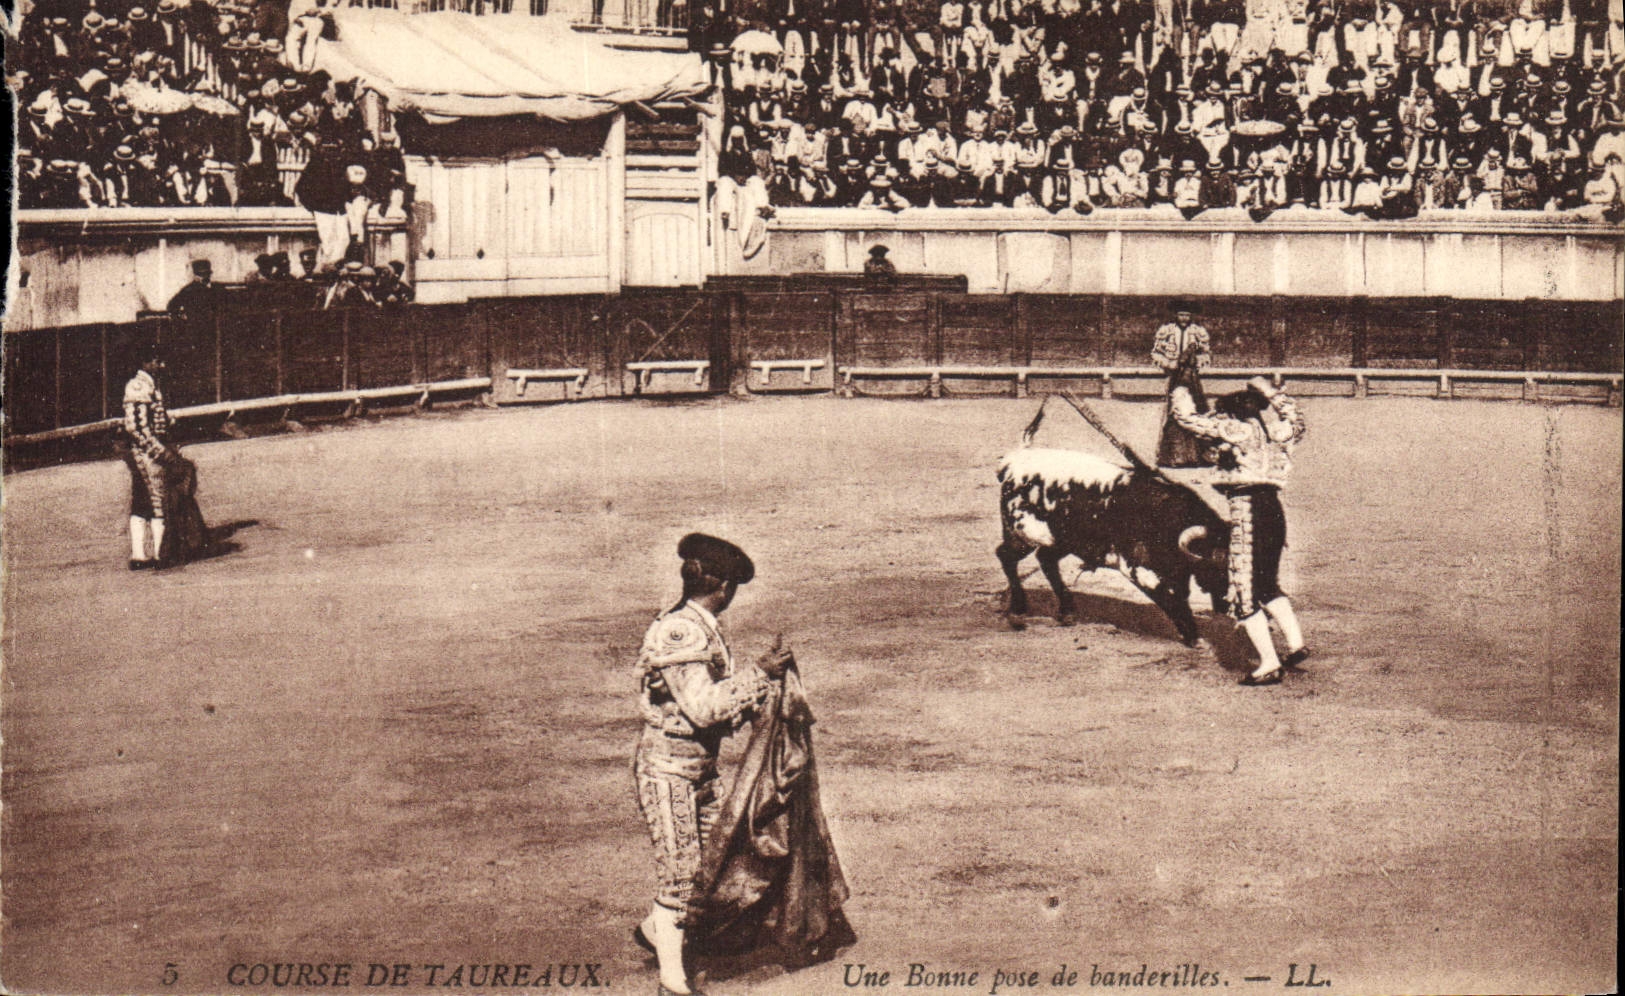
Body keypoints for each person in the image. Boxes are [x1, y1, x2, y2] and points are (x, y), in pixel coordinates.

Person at [632, 534, 792, 996]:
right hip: (668, 771)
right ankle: (673, 982)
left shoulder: (699, 624)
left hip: (698, 768)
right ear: (724, 587)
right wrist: (760, 674)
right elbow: (704, 709)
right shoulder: (681, 631)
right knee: (682, 877)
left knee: (711, 867)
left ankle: (655, 929)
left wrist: (760, 692)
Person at [1172, 377, 1310, 686]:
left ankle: (1269, 664)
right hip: (1274, 511)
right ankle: (1296, 644)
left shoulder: (1237, 430)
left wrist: (1179, 389)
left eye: (1223, 413)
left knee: (1244, 592)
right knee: (1267, 583)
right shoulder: (1277, 431)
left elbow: (1187, 419)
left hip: (1248, 511)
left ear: (1233, 414)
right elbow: (1296, 419)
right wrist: (1271, 392)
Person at [121, 350, 184, 570]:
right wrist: (160, 452)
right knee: (158, 499)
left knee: (142, 500)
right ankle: (160, 553)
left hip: (143, 451)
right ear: (145, 362)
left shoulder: (148, 385)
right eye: (157, 361)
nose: (161, 365)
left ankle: (140, 555)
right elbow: (136, 427)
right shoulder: (138, 386)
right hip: (146, 453)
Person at [1151, 300, 1212, 467]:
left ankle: (1198, 455)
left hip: (1191, 377)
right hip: (1173, 376)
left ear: (1191, 316)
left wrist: (1194, 362)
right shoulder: (1167, 330)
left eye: (1187, 315)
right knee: (1173, 411)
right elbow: (1156, 353)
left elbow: (1206, 354)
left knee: (1195, 409)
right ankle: (1172, 455)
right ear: (1175, 315)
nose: (1184, 318)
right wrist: (1169, 364)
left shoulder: (1198, 332)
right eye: (1181, 315)